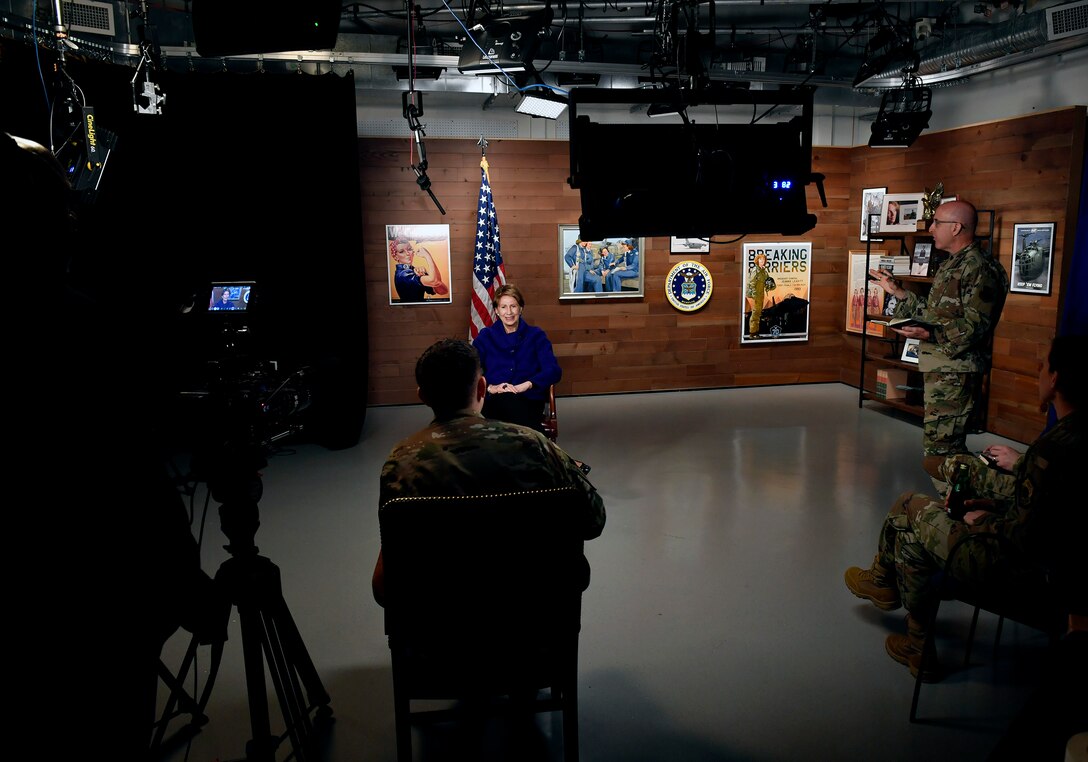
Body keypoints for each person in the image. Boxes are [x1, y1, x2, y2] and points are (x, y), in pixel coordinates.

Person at [843, 334, 1085, 682]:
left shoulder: (1052, 451)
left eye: (1043, 365)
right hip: (1063, 580)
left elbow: (1025, 541)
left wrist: (983, 521)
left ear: (1057, 378)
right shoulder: (1076, 437)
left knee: (908, 506)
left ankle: (886, 584)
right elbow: (1048, 516)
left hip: (1022, 577)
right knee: (913, 542)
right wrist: (991, 505)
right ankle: (915, 643)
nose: (1038, 371)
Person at [372, 337, 606, 605]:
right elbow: (594, 519)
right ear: (482, 388)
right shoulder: (535, 446)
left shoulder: (400, 462)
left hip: (438, 615)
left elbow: (388, 571)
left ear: (421, 395)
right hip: (532, 609)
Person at [869, 199, 1008, 485]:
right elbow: (936, 313)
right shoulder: (953, 264)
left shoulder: (980, 268)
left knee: (943, 453)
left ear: (956, 228)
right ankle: (962, 510)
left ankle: (969, 513)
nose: (931, 228)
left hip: (956, 371)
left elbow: (976, 325)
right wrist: (897, 291)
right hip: (942, 368)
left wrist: (930, 334)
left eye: (937, 223)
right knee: (942, 451)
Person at [472, 284, 563, 432]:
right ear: (496, 310)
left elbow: (553, 371)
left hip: (528, 399)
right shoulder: (485, 336)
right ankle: (534, 443)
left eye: (513, 306)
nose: (509, 312)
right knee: (505, 404)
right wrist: (490, 388)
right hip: (494, 399)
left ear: (521, 308)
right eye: (503, 307)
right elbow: (470, 369)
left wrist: (527, 384)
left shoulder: (536, 335)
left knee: (509, 409)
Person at [389, 235, 449, 302]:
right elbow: (435, 281)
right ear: (396, 257)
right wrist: (427, 256)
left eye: (409, 249)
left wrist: (424, 274)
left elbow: (443, 291)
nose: (407, 253)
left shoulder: (413, 271)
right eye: (401, 251)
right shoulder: (403, 275)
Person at [745, 251, 776, 338]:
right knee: (755, 313)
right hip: (756, 295)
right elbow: (752, 283)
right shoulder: (756, 270)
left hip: (760, 294)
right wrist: (755, 295)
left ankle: (756, 332)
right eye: (760, 260)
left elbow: (767, 281)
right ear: (757, 261)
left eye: (763, 260)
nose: (762, 261)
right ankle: (752, 333)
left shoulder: (763, 271)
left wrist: (771, 285)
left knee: (758, 313)